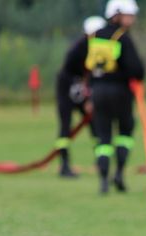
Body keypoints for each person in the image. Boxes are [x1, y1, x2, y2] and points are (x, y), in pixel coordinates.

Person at [83, 0, 145, 196]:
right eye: (129, 15)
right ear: (117, 14)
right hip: (120, 92)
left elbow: (90, 68)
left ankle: (103, 180)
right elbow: (137, 69)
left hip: (98, 92)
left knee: (103, 137)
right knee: (125, 133)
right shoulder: (122, 37)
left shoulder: (95, 37)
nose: (132, 20)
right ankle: (118, 174)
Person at [51, 17, 105, 179]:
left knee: (94, 123)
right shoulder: (77, 50)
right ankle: (64, 165)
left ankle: (101, 161)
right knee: (65, 127)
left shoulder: (99, 48)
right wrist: (87, 97)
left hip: (82, 89)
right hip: (67, 90)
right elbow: (76, 76)